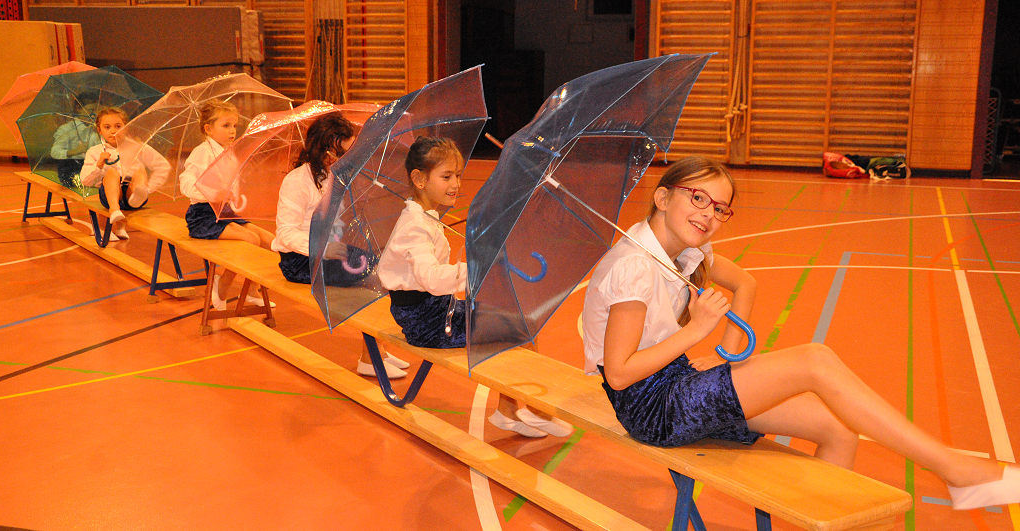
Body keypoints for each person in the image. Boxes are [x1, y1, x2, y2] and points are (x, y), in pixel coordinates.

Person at [581, 156, 1019, 510]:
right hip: (650, 408)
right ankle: (957, 471)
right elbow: (619, 374)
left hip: (679, 382)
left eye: (719, 208)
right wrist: (697, 330)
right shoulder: (634, 268)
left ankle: (952, 475)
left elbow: (746, 283)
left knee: (838, 429)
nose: (708, 214)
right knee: (814, 360)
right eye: (697, 197)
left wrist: (727, 355)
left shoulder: (687, 253)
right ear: (661, 197)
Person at [376, 136, 571, 438]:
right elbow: (431, 278)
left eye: (458, 175)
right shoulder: (414, 226)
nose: (456, 184)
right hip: (427, 322)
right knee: (520, 328)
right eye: (446, 177)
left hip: (432, 311)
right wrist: (476, 270)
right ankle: (534, 409)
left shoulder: (422, 218)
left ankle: (509, 410)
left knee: (514, 321)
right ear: (419, 179)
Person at [272, 112, 405, 379]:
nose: (348, 158)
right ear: (324, 150)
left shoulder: (334, 176)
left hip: (329, 252)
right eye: (342, 152)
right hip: (300, 260)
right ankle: (369, 358)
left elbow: (341, 221)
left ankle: (378, 349)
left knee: (384, 267)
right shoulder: (297, 181)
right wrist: (322, 248)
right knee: (371, 280)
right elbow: (285, 233)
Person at [179, 99, 276, 310]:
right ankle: (222, 285)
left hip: (224, 211)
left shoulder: (229, 152)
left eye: (234, 125)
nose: (232, 130)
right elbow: (185, 184)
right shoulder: (202, 152)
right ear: (208, 129)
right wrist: (214, 193)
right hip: (203, 215)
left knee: (268, 239)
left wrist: (234, 195)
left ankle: (252, 290)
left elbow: (232, 186)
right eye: (226, 125)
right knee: (250, 239)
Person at [79, 107, 168, 240]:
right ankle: (114, 211)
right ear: (99, 130)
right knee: (112, 172)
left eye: (118, 126)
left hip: (132, 195)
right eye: (107, 127)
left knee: (139, 170)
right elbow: (85, 180)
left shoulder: (136, 146)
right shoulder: (95, 151)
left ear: (126, 127)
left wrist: (149, 188)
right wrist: (99, 165)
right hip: (109, 197)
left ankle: (139, 194)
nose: (113, 131)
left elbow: (162, 166)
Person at [50, 102, 100, 188]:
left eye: (96, 111)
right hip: (70, 168)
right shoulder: (67, 129)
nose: (93, 114)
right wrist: (75, 151)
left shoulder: (95, 130)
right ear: (78, 109)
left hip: (90, 167)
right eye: (90, 110)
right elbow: (54, 152)